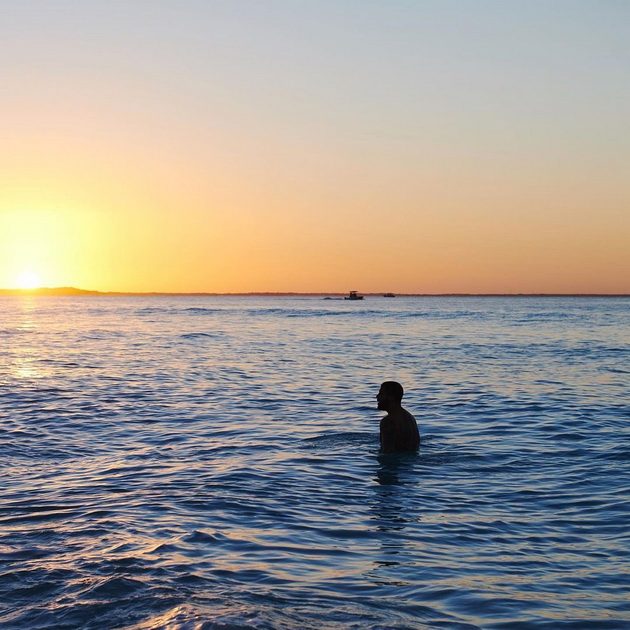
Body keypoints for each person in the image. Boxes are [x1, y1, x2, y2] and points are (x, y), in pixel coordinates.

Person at [377, 381, 420, 453]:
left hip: (396, 462)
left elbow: (387, 452)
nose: (377, 396)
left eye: (381, 394)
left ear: (391, 398)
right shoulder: (409, 417)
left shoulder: (388, 421)